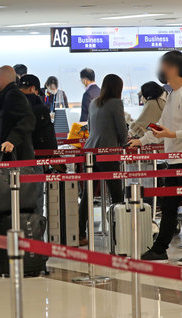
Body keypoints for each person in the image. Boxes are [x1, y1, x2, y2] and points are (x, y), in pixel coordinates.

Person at [130, 51, 182, 266]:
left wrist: (172, 135)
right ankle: (160, 249)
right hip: (173, 160)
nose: (160, 70)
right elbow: (160, 126)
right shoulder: (172, 94)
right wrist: (142, 140)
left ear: (173, 68)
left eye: (163, 66)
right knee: (169, 205)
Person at [78, 74, 127, 246]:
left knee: (87, 195)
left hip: (90, 152)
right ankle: (121, 230)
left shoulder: (94, 103)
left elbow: (91, 128)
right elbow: (122, 130)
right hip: (108, 153)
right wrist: (124, 144)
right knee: (117, 195)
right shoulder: (116, 103)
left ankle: (79, 233)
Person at [0, 66, 35, 160]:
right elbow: (8, 125)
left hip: (18, 158)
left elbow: (28, 119)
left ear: (2, 79)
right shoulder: (5, 97)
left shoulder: (14, 95)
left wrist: (11, 141)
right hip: (9, 156)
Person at [19, 74, 57, 151]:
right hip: (35, 153)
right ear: (32, 89)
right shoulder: (39, 108)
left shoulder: (10, 104)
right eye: (37, 92)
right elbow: (47, 137)